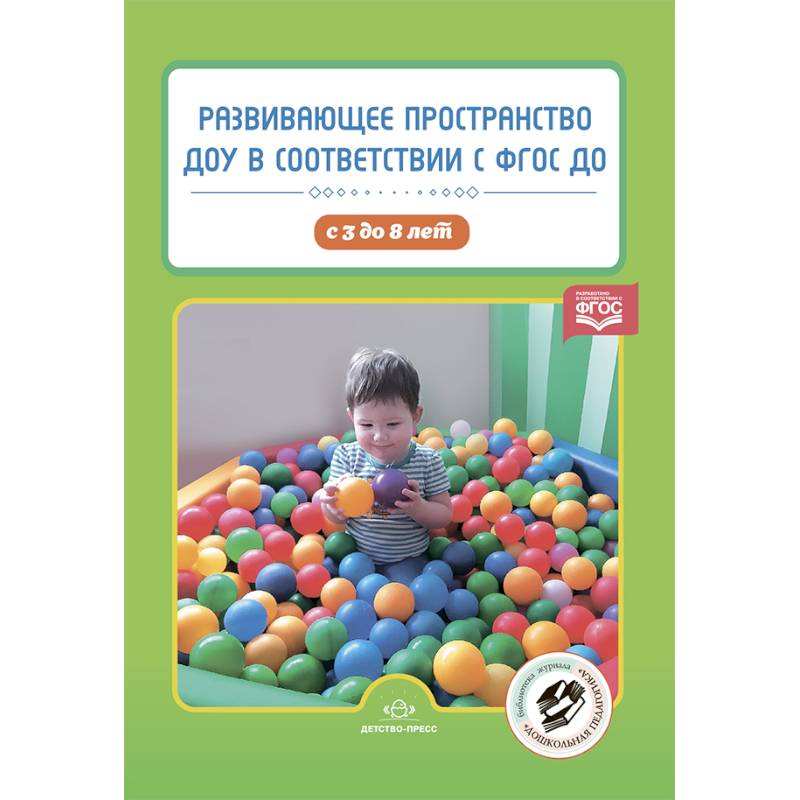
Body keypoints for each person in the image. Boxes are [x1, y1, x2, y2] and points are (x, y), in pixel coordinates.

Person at [320, 348, 452, 576]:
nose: (380, 436)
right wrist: (331, 505)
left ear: (415, 417)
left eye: (392, 424)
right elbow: (334, 517)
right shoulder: (347, 457)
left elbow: (444, 515)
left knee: (404, 594)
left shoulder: (428, 461)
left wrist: (419, 508)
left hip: (407, 559)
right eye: (366, 425)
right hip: (355, 557)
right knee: (332, 587)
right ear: (352, 417)